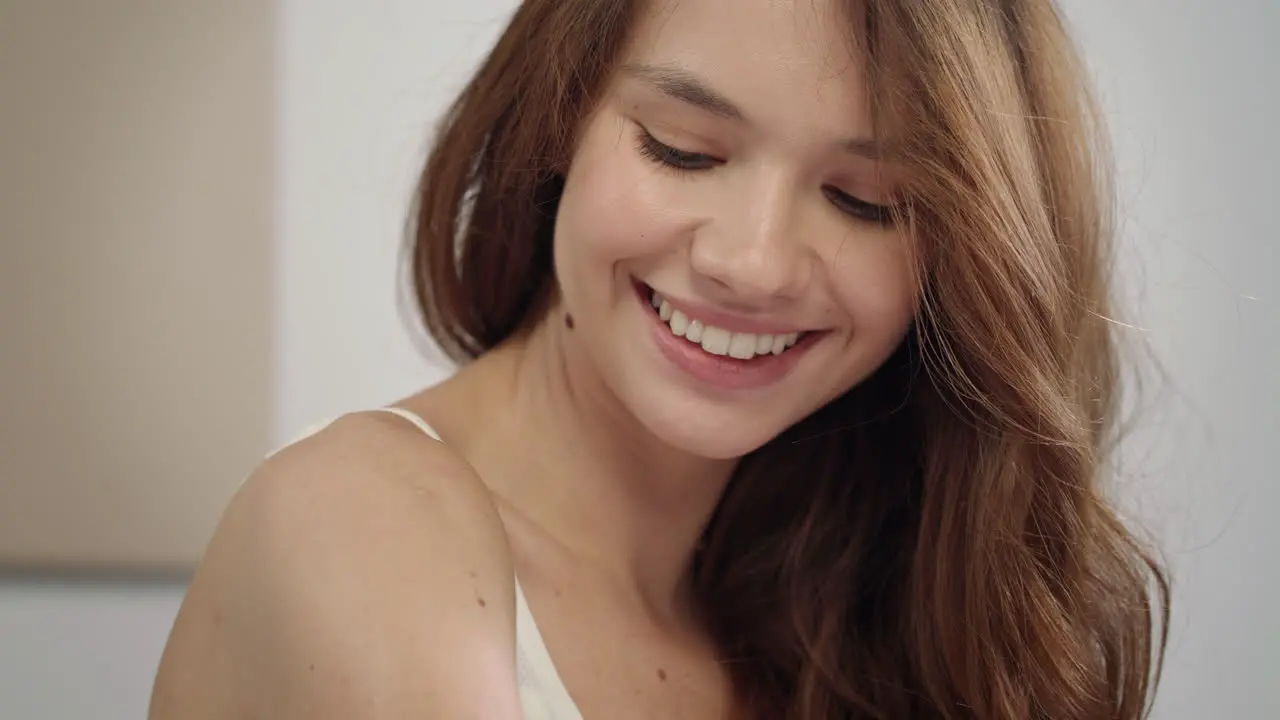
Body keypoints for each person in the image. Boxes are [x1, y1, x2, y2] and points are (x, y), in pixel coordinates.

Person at [150, 0, 1169, 717]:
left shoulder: (841, 603)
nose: (751, 262)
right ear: (557, 120)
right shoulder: (357, 521)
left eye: (866, 201)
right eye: (681, 148)